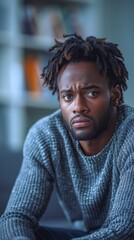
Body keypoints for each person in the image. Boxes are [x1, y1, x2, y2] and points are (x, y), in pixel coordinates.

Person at [0, 34, 134, 240]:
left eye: (91, 93)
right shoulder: (46, 136)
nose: (78, 107)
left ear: (115, 95)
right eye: (68, 97)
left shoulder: (130, 134)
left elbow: (124, 229)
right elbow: (16, 217)